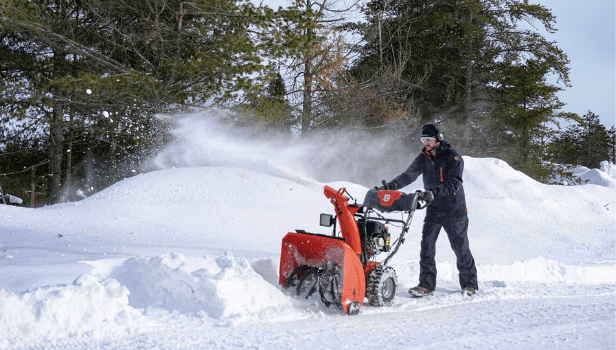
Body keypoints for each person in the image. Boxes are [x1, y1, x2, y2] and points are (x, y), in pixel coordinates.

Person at [380, 123, 478, 297]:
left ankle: (469, 284)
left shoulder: (452, 157)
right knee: (426, 246)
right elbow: (408, 175)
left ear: (438, 139)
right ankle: (426, 285)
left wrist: (434, 192)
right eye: (423, 140)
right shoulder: (423, 157)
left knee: (460, 248)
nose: (426, 143)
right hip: (433, 210)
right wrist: (390, 187)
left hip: (455, 211)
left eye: (429, 140)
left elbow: (455, 183)